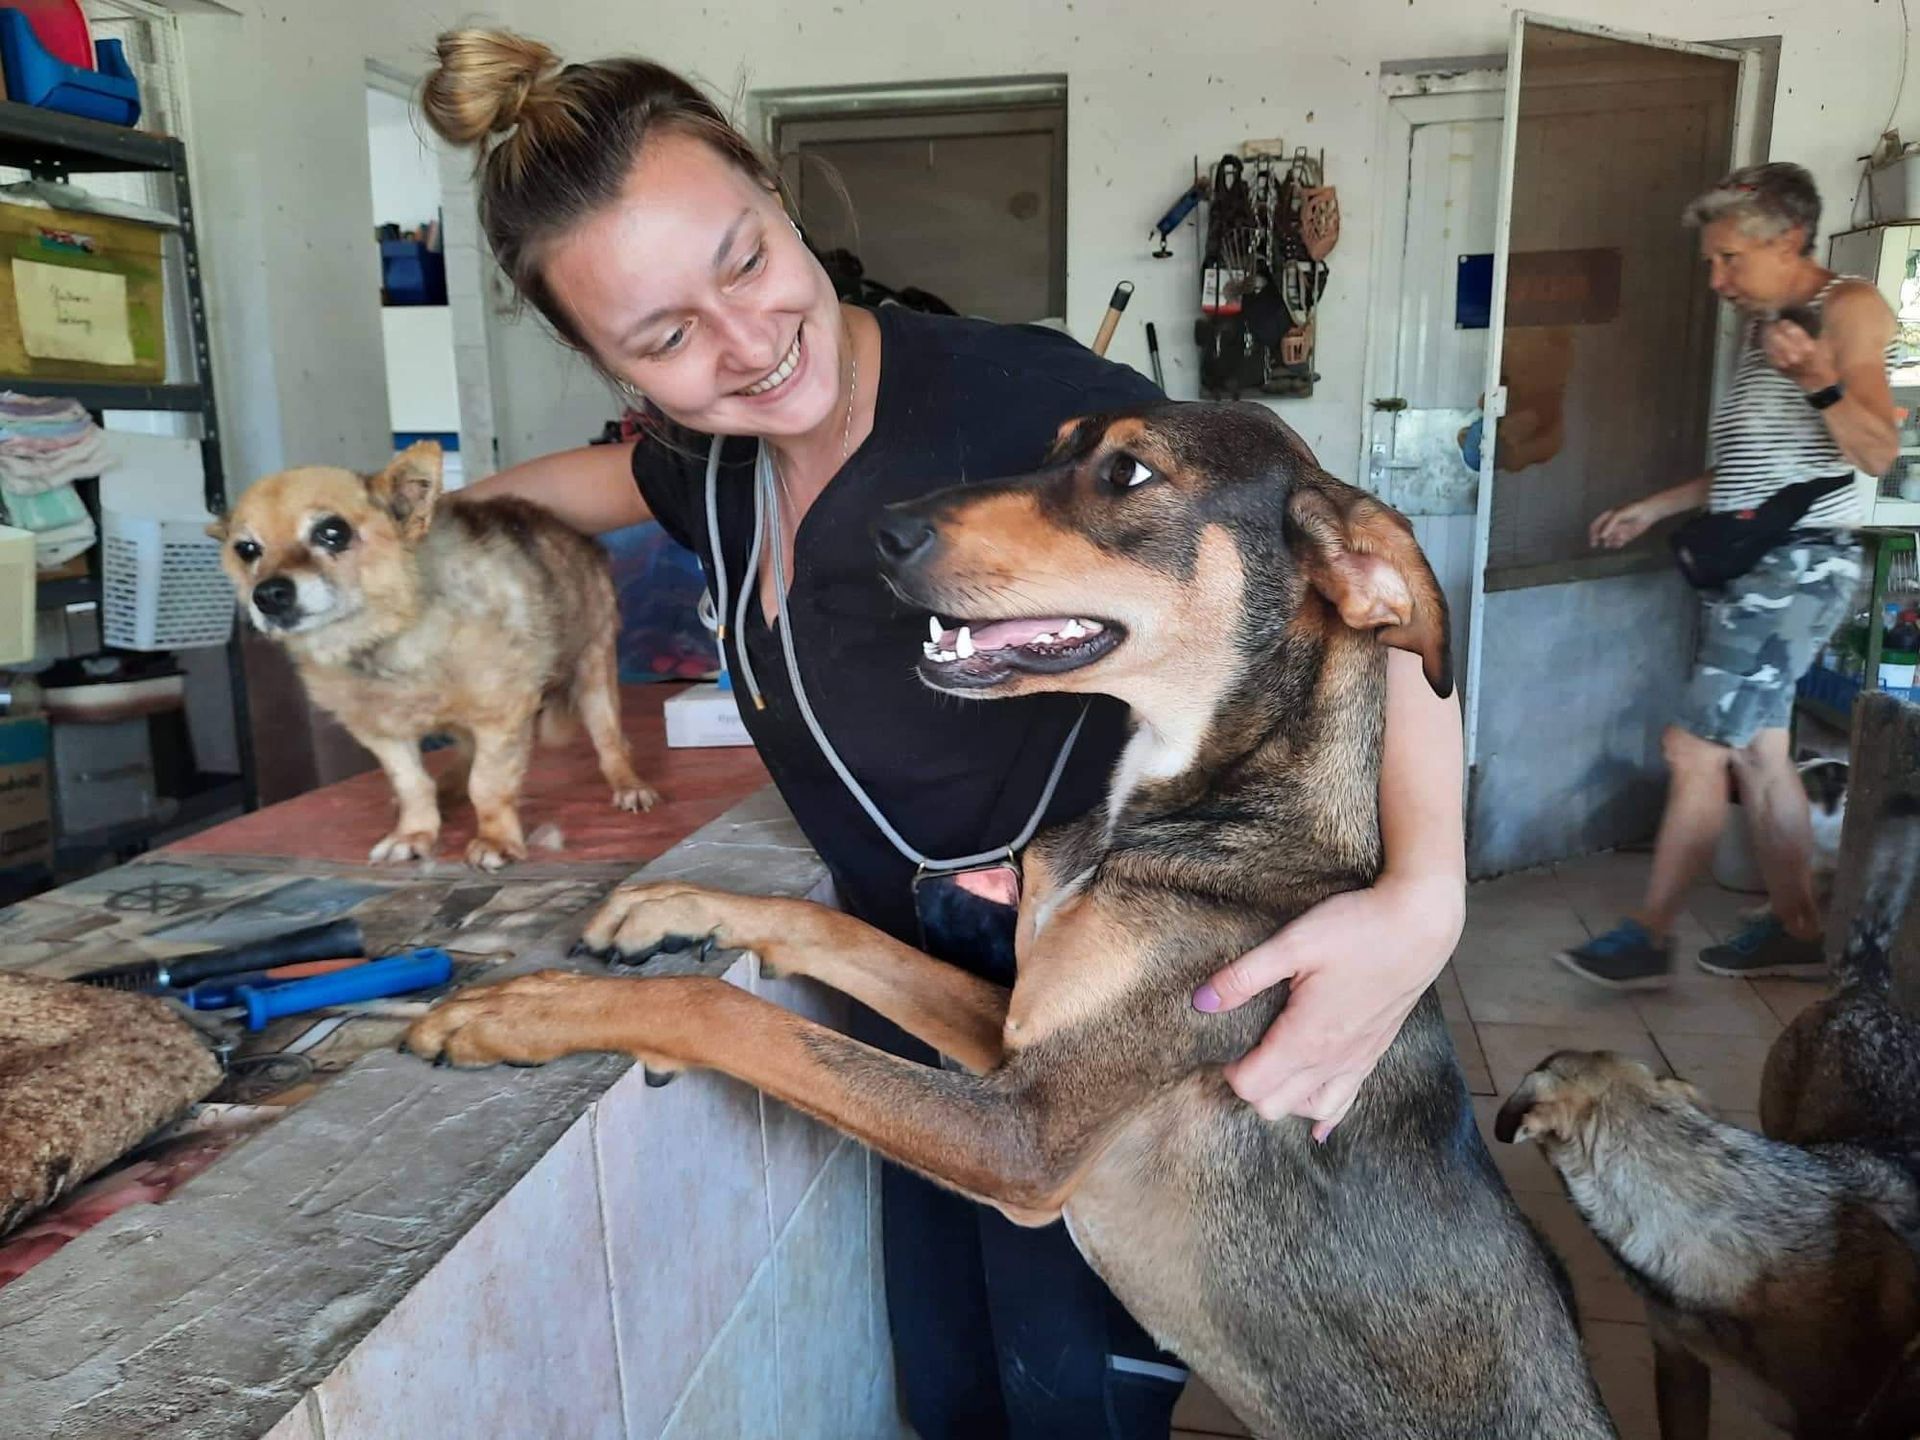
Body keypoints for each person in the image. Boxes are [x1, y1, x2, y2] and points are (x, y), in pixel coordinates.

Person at [419, 28, 1466, 1438]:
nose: (743, 342)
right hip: (909, 979)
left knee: (1068, 1395)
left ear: (781, 196)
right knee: (954, 1387)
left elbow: (1336, 578)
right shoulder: (703, 466)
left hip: (1090, 958)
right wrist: (400, 526)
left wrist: (1428, 894)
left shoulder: (1017, 403)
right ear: (609, 365)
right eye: (663, 337)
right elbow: (592, 488)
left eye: (745, 260)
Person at [1559, 162, 1898, 990]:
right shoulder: (1769, 326)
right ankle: (1797, 928)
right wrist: (1658, 506)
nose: (1716, 281)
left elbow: (1877, 449)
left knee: (1693, 749)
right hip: (1761, 565)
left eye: (1728, 261)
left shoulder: (1846, 308)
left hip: (1799, 565)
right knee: (1759, 757)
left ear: (1786, 240)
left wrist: (1817, 376)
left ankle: (1648, 933)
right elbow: (1754, 473)